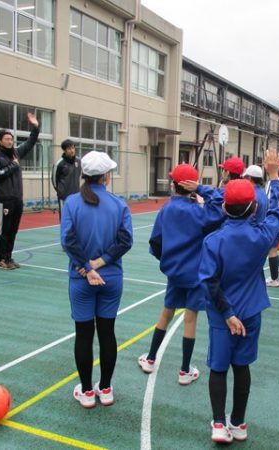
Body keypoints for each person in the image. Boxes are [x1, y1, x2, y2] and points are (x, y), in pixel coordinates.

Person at [198, 150, 279, 444]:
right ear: (253, 207)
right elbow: (276, 212)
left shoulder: (214, 241)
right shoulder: (262, 236)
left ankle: (218, 424)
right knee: (242, 366)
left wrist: (227, 314)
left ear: (224, 207)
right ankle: (238, 422)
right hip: (251, 311)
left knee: (218, 367)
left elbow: (209, 282)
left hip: (222, 316)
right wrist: (274, 177)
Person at [138, 164, 224, 384]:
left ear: (173, 184)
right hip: (195, 273)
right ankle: (185, 370)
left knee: (166, 313)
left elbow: (155, 241)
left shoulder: (166, 209)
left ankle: (150, 359)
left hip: (174, 272)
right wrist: (202, 189)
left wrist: (167, 261)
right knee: (190, 319)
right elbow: (220, 206)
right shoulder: (199, 212)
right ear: (192, 186)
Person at [60, 151, 133, 408]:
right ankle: (106, 388)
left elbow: (68, 240)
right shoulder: (118, 204)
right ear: (106, 176)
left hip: (81, 279)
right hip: (111, 278)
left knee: (83, 334)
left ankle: (87, 391)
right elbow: (125, 241)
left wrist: (87, 267)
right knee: (107, 332)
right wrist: (99, 264)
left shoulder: (71, 203)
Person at [0, 112, 39, 270]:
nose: (10, 141)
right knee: (4, 230)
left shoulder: (15, 153)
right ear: (0, 141)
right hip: (4, 199)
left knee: (13, 230)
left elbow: (30, 143)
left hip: (17, 199)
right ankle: (1, 259)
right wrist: (13, 166)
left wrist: (36, 127)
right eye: (7, 139)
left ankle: (9, 257)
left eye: (11, 139)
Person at [52, 139, 82, 219]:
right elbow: (54, 181)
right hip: (64, 197)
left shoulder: (79, 161)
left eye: (73, 148)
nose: (72, 151)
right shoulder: (59, 164)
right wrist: (61, 191)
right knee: (64, 218)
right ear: (64, 150)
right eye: (69, 149)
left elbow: (79, 175)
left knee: (76, 217)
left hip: (76, 196)